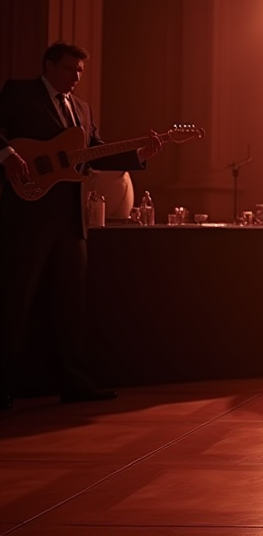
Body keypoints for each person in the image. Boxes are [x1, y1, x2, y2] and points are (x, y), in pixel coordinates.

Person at [0, 42, 163, 410]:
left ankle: (74, 382)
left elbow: (98, 151)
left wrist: (140, 154)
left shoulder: (82, 110)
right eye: (70, 70)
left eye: (80, 72)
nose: (75, 77)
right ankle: (2, 385)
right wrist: (7, 154)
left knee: (71, 304)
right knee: (15, 301)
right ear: (49, 66)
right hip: (27, 215)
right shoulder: (19, 92)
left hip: (70, 218)